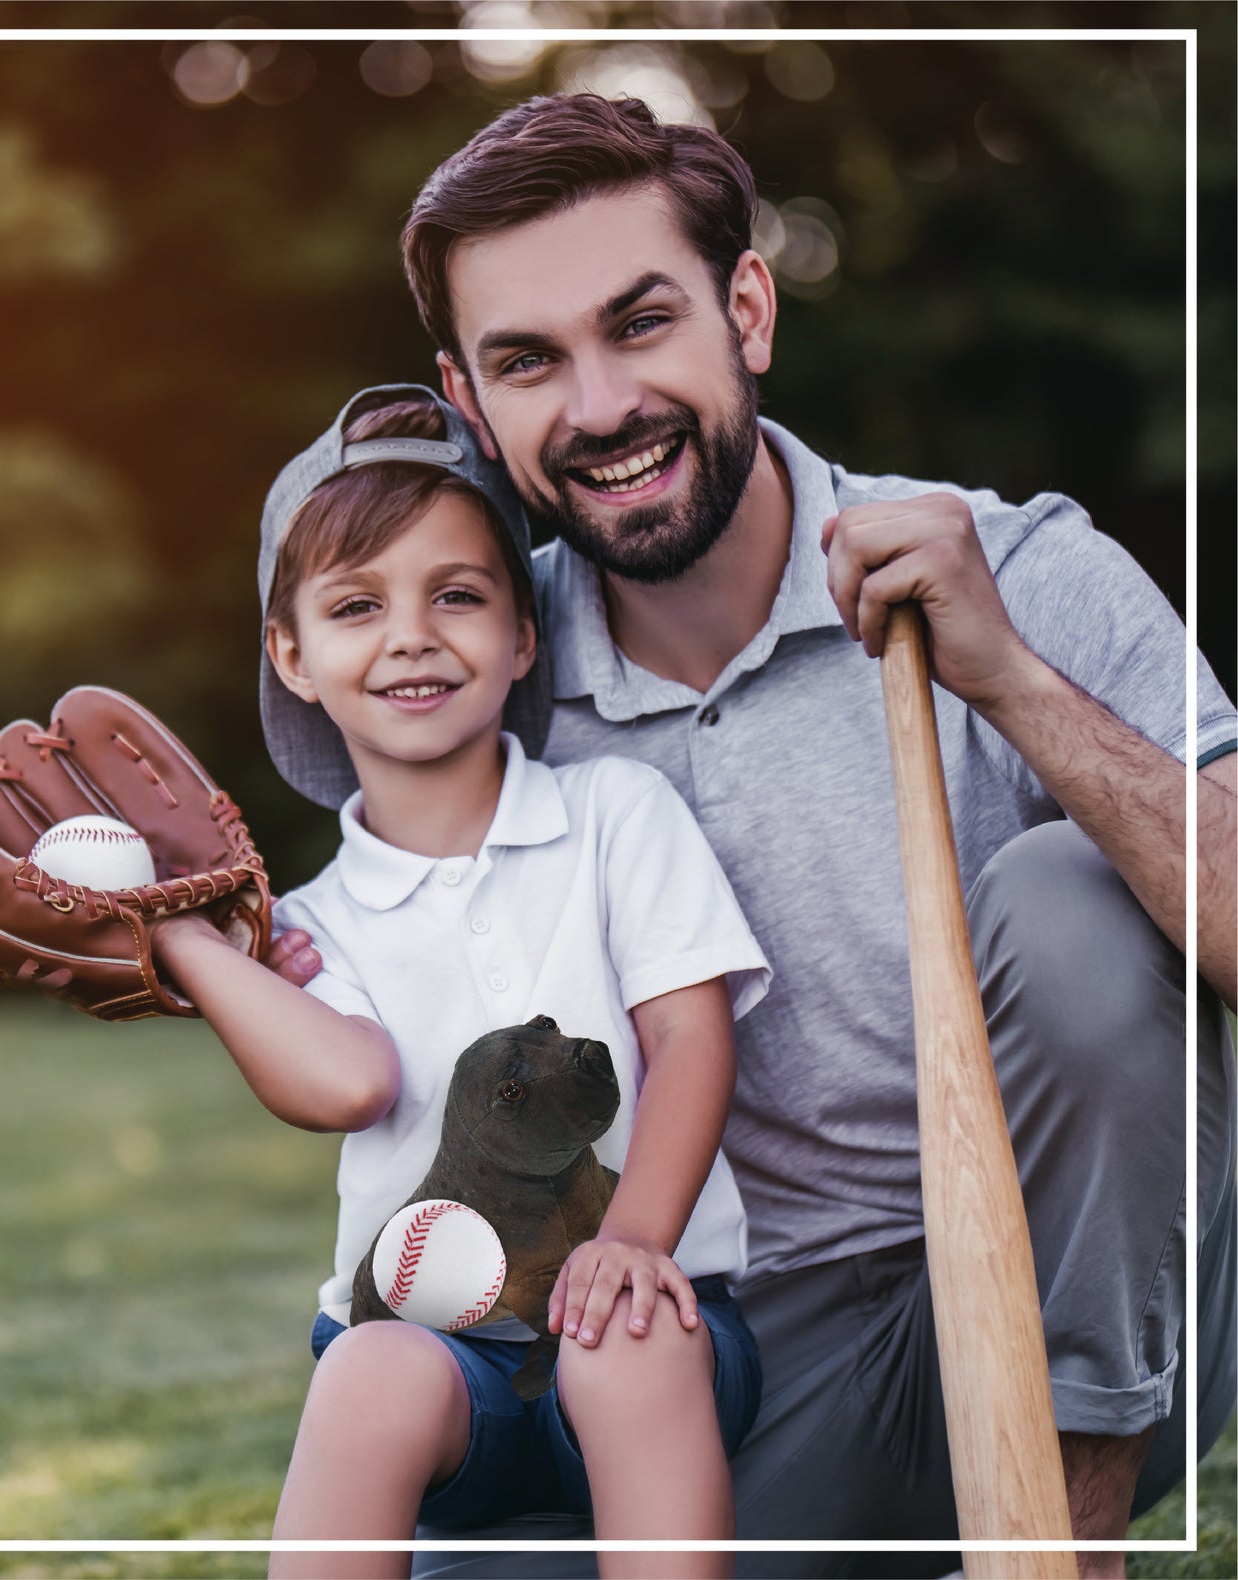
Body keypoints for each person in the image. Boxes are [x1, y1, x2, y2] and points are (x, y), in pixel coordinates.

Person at [269, 94, 1236, 1579]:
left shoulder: (1017, 565)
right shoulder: (477, 663)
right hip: (716, 1347)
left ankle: (1056, 1555)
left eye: (640, 323)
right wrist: (170, 944)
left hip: (1077, 1299)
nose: (597, 408)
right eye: (530, 362)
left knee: (1069, 899)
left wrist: (1013, 682)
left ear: (747, 307)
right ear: (469, 402)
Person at [156, 384, 771, 1580]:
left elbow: (691, 1040)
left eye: (457, 594)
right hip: (444, 1364)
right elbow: (345, 1081)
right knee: (368, 1368)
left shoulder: (612, 815)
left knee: (625, 1333)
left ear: (522, 632)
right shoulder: (308, 925)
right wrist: (186, 940)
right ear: (290, 653)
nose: (410, 635)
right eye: (352, 605)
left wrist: (631, 1239)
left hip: (654, 1313)